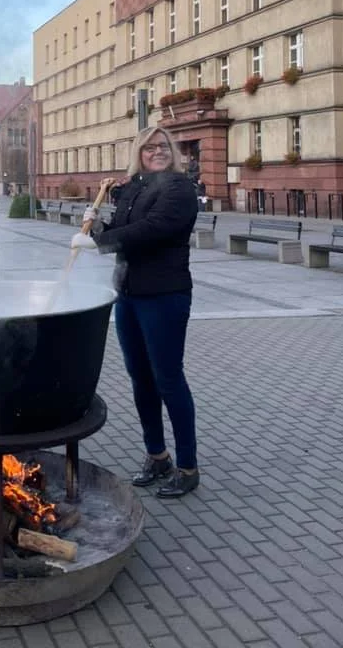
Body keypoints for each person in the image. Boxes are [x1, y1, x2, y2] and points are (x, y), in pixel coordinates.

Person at [70, 127, 200, 498]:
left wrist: (98, 242)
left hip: (164, 295)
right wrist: (96, 223)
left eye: (164, 146)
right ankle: (157, 456)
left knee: (168, 379)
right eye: (149, 147)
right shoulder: (134, 187)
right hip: (127, 294)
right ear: (139, 153)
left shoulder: (179, 188)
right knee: (141, 378)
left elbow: (153, 229)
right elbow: (123, 229)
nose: (158, 152)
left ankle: (187, 467)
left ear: (172, 152)